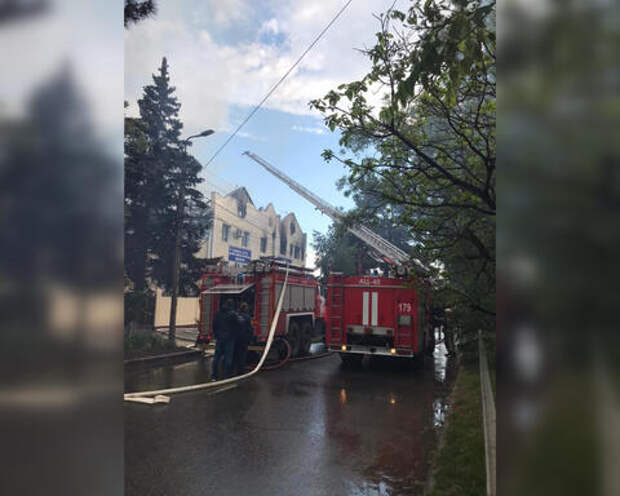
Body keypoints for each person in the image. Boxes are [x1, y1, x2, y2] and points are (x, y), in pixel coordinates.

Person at [211, 299, 237, 380]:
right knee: (228, 358)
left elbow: (214, 325)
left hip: (219, 338)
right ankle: (227, 375)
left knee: (216, 357)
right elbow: (237, 325)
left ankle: (214, 375)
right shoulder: (233, 315)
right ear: (231, 305)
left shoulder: (218, 314)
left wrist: (216, 335)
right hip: (229, 339)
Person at [233, 302, 253, 376]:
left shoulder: (235, 316)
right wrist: (250, 339)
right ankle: (240, 371)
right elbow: (250, 329)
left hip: (235, 338)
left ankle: (232, 370)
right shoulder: (247, 317)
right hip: (243, 339)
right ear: (245, 309)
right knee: (242, 355)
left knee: (235, 354)